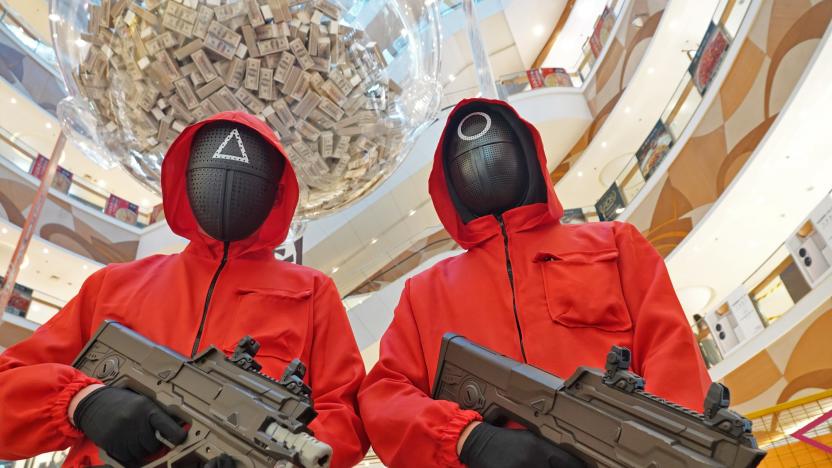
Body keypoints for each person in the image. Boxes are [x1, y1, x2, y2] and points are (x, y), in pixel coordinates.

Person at [0, 112, 369, 468]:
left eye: (245, 180)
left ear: (276, 195)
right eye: (212, 176)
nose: (227, 188)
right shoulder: (113, 284)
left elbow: (344, 416)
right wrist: (83, 401)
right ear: (185, 182)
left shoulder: (312, 292)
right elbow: (7, 387)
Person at [358, 98, 711, 468]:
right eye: (468, 159)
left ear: (527, 155)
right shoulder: (424, 295)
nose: (483, 162)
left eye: (494, 150)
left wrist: (652, 452)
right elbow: (384, 397)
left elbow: (674, 356)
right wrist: (467, 437)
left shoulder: (615, 244)